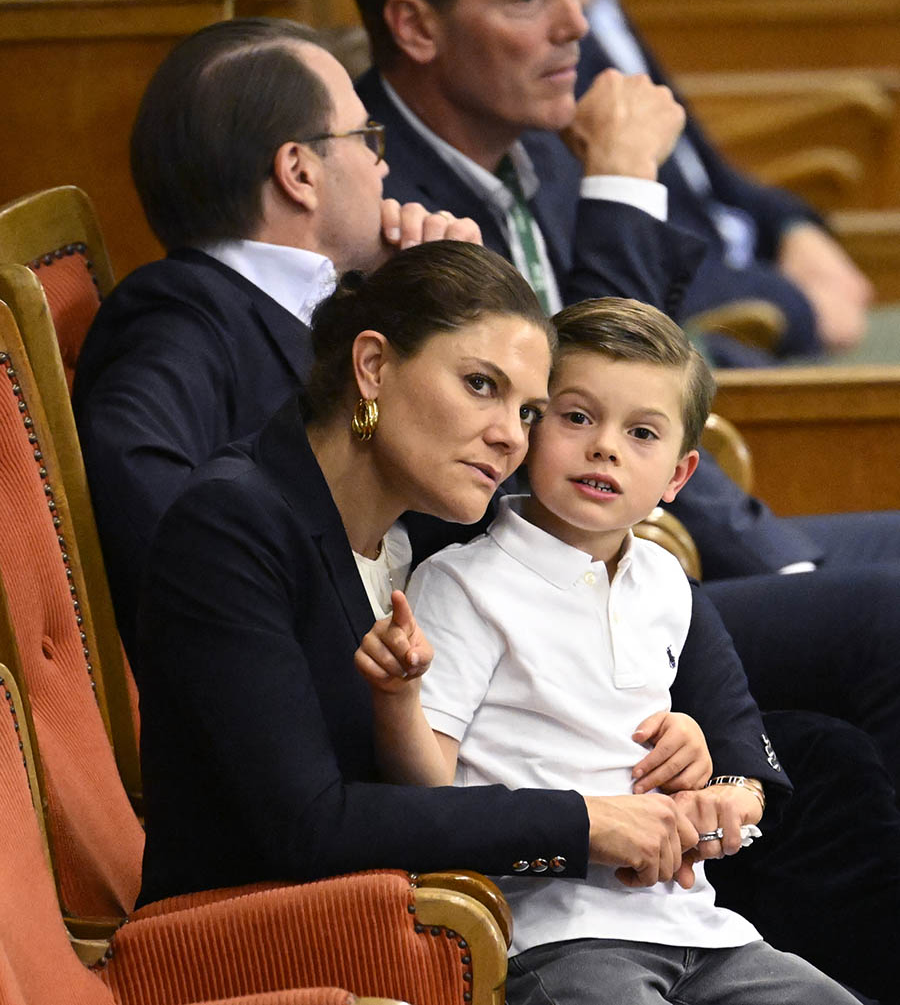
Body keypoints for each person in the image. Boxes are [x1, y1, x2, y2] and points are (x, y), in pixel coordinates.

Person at [340, 0, 900, 793]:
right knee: (886, 615)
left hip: (655, 540)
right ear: (415, 25)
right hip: (546, 588)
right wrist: (627, 185)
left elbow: (650, 381)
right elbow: (585, 402)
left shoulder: (544, 145)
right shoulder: (388, 205)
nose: (577, 25)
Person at [135, 241, 723, 907]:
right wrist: (583, 820)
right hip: (262, 939)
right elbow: (308, 826)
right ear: (374, 366)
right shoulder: (231, 524)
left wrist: (695, 738)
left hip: (432, 913)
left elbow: (627, 597)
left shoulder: (438, 518)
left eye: (530, 411)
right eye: (481, 385)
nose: (512, 437)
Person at [357, 296, 857, 1005]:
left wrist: (713, 791)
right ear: (529, 424)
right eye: (577, 416)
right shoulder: (463, 583)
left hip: (699, 923)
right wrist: (398, 697)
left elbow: (715, 746)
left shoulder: (664, 582)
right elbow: (426, 785)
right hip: (556, 933)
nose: (605, 447)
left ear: (679, 477)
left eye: (642, 432)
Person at [72, 17, 481, 657]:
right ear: (299, 170)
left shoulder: (350, 303)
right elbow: (157, 522)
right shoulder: (176, 316)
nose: (383, 165)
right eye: (366, 137)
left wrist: (451, 309)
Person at [576, 0, 878, 365]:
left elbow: (701, 171)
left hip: (753, 276)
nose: (564, 10)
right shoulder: (559, 32)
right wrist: (799, 305)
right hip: (721, 326)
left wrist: (790, 228)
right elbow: (614, 249)